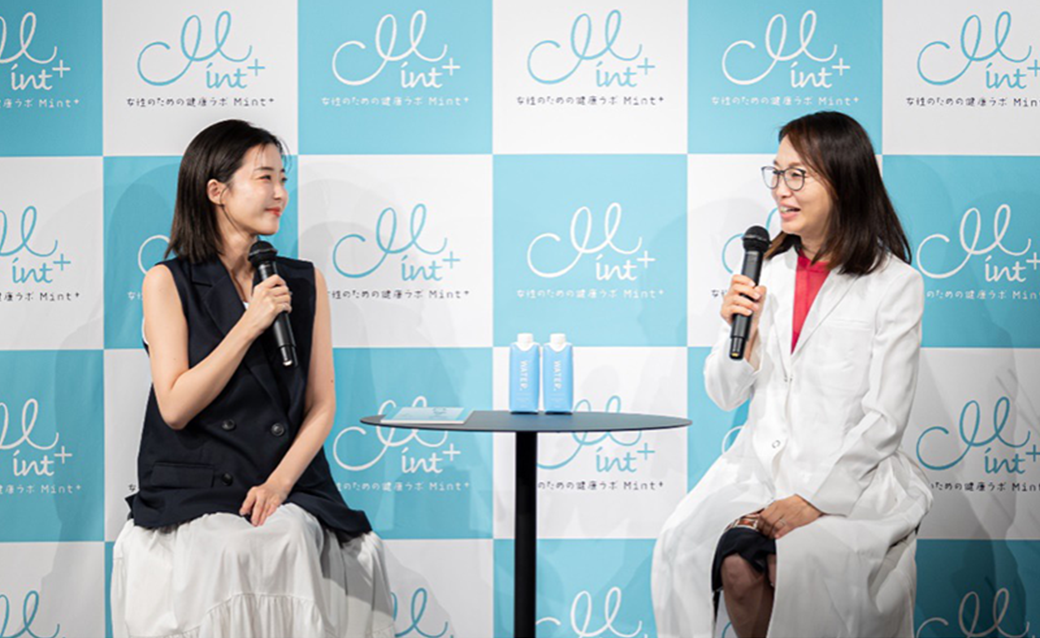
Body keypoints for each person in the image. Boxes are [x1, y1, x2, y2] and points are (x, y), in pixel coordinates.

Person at [652, 111, 932, 638]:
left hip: (851, 484)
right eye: (777, 173)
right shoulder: (765, 271)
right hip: (759, 475)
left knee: (798, 572)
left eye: (798, 175)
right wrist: (743, 335)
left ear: (844, 181)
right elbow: (722, 392)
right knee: (719, 559)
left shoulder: (894, 284)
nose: (782, 189)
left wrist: (814, 500)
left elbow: (885, 419)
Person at [111, 119, 394, 638]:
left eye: (283, 179)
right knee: (225, 547)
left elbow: (321, 404)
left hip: (285, 476)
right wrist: (250, 324)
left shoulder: (303, 281)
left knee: (291, 538)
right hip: (197, 479)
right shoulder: (167, 281)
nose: (280, 194)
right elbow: (175, 405)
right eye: (265, 178)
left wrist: (279, 485)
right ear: (216, 190)